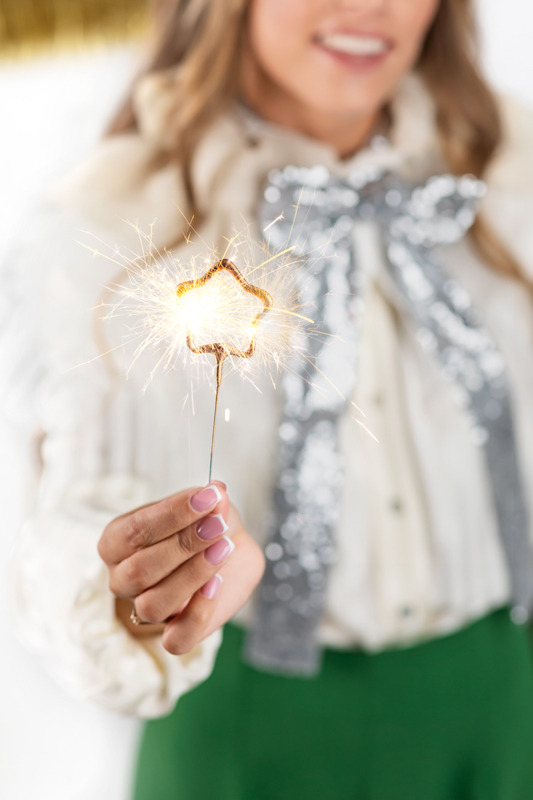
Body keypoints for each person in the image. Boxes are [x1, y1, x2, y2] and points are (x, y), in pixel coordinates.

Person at [7, 0, 533, 797]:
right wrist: (142, 588)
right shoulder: (111, 223)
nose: (371, 7)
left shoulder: (509, 172)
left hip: (497, 715)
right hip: (245, 738)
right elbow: (70, 522)